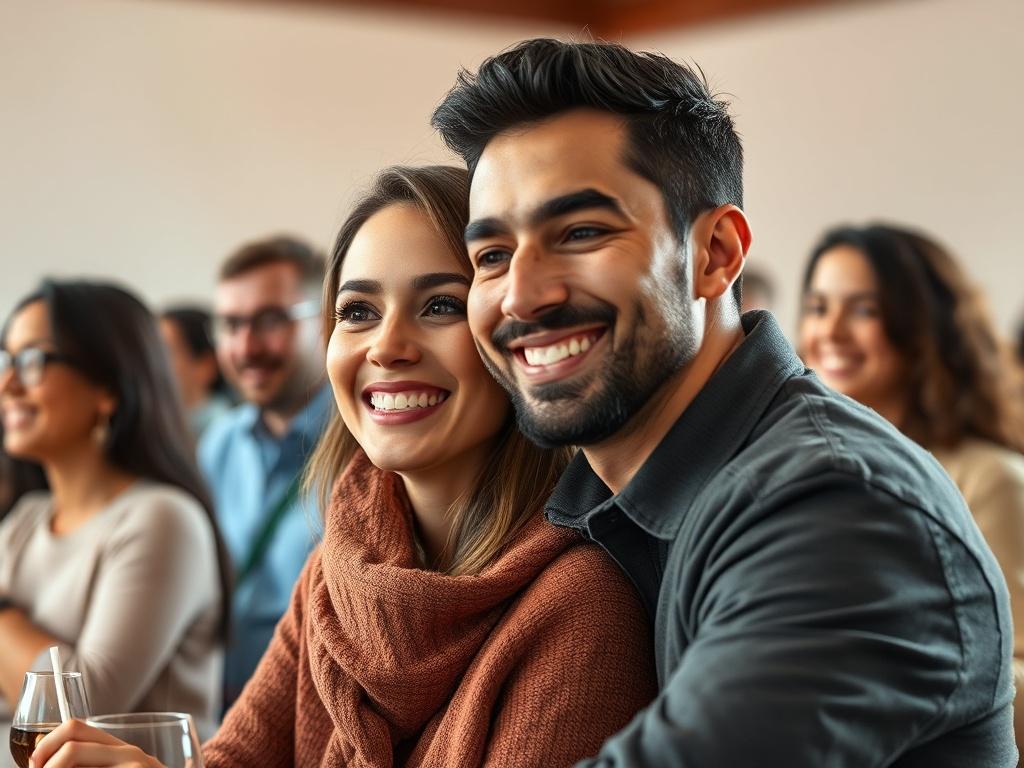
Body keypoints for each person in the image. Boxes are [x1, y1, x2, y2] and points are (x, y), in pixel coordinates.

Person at [428, 38, 1017, 765]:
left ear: (715, 255)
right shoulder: (596, 488)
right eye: (491, 256)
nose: (520, 294)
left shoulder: (839, 504)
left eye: (580, 232)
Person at [31, 166, 656, 768]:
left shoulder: (583, 605)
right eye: (358, 311)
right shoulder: (339, 567)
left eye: (440, 305)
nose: (386, 346)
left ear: (513, 330)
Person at [799, 222, 1024, 752]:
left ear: (922, 328)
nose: (830, 332)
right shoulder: (800, 468)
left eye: (864, 310)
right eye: (817, 307)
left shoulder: (989, 478)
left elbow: (1014, 664)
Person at [0, 280, 230, 738]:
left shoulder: (163, 519)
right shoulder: (26, 518)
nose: (7, 383)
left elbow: (82, 710)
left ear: (108, 387)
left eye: (32, 361)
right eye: (7, 360)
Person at [198, 235, 332, 709]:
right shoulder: (219, 443)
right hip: (225, 714)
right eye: (231, 325)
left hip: (318, 716)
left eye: (271, 320)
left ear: (326, 319)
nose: (246, 347)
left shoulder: (367, 441)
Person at [158, 305, 233, 439]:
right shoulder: (158, 429)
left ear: (207, 365)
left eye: (165, 353)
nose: (153, 363)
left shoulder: (227, 437)